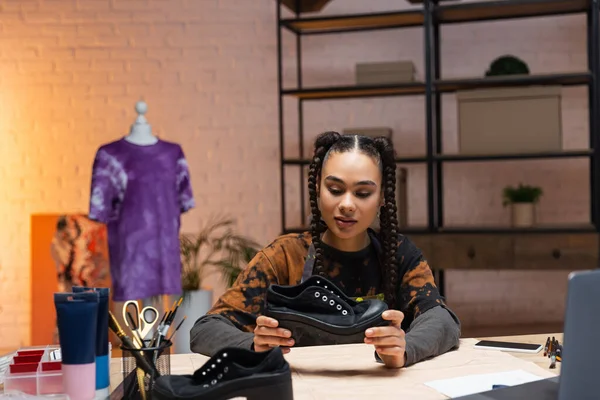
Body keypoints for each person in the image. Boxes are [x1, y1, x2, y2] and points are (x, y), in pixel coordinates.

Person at [190, 131, 461, 368]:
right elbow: (205, 329)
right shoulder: (283, 256)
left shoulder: (399, 255)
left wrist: (405, 348)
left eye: (363, 193)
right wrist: (253, 345)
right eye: (335, 189)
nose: (347, 204)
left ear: (381, 199)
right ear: (318, 189)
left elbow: (441, 320)